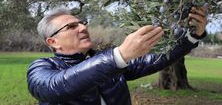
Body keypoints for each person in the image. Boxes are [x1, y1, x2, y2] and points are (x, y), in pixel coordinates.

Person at [27, 7, 207, 105]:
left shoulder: (109, 62)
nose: (83, 28)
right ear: (53, 42)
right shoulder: (41, 68)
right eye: (71, 27)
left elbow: (155, 60)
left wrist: (193, 36)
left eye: (82, 23)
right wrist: (118, 56)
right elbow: (54, 87)